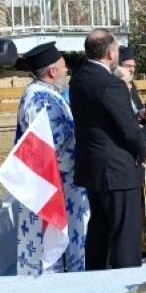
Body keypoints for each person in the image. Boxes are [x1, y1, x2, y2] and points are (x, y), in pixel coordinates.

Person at [70, 29, 146, 270]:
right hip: (117, 172)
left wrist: (136, 118)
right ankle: (124, 285)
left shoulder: (78, 79)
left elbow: (103, 120)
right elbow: (131, 133)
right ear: (110, 53)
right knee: (125, 234)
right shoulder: (111, 84)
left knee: (99, 228)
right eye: (117, 50)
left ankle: (95, 277)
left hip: (92, 168)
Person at [13, 42, 90, 275]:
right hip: (55, 185)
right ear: (52, 72)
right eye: (63, 67)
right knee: (50, 241)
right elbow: (51, 151)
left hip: (59, 184)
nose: (67, 71)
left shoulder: (44, 95)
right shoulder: (41, 101)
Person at [119, 46, 146, 162]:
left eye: (133, 66)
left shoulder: (132, 87)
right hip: (129, 143)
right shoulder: (115, 90)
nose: (132, 69)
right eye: (128, 66)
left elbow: (137, 110)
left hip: (141, 137)